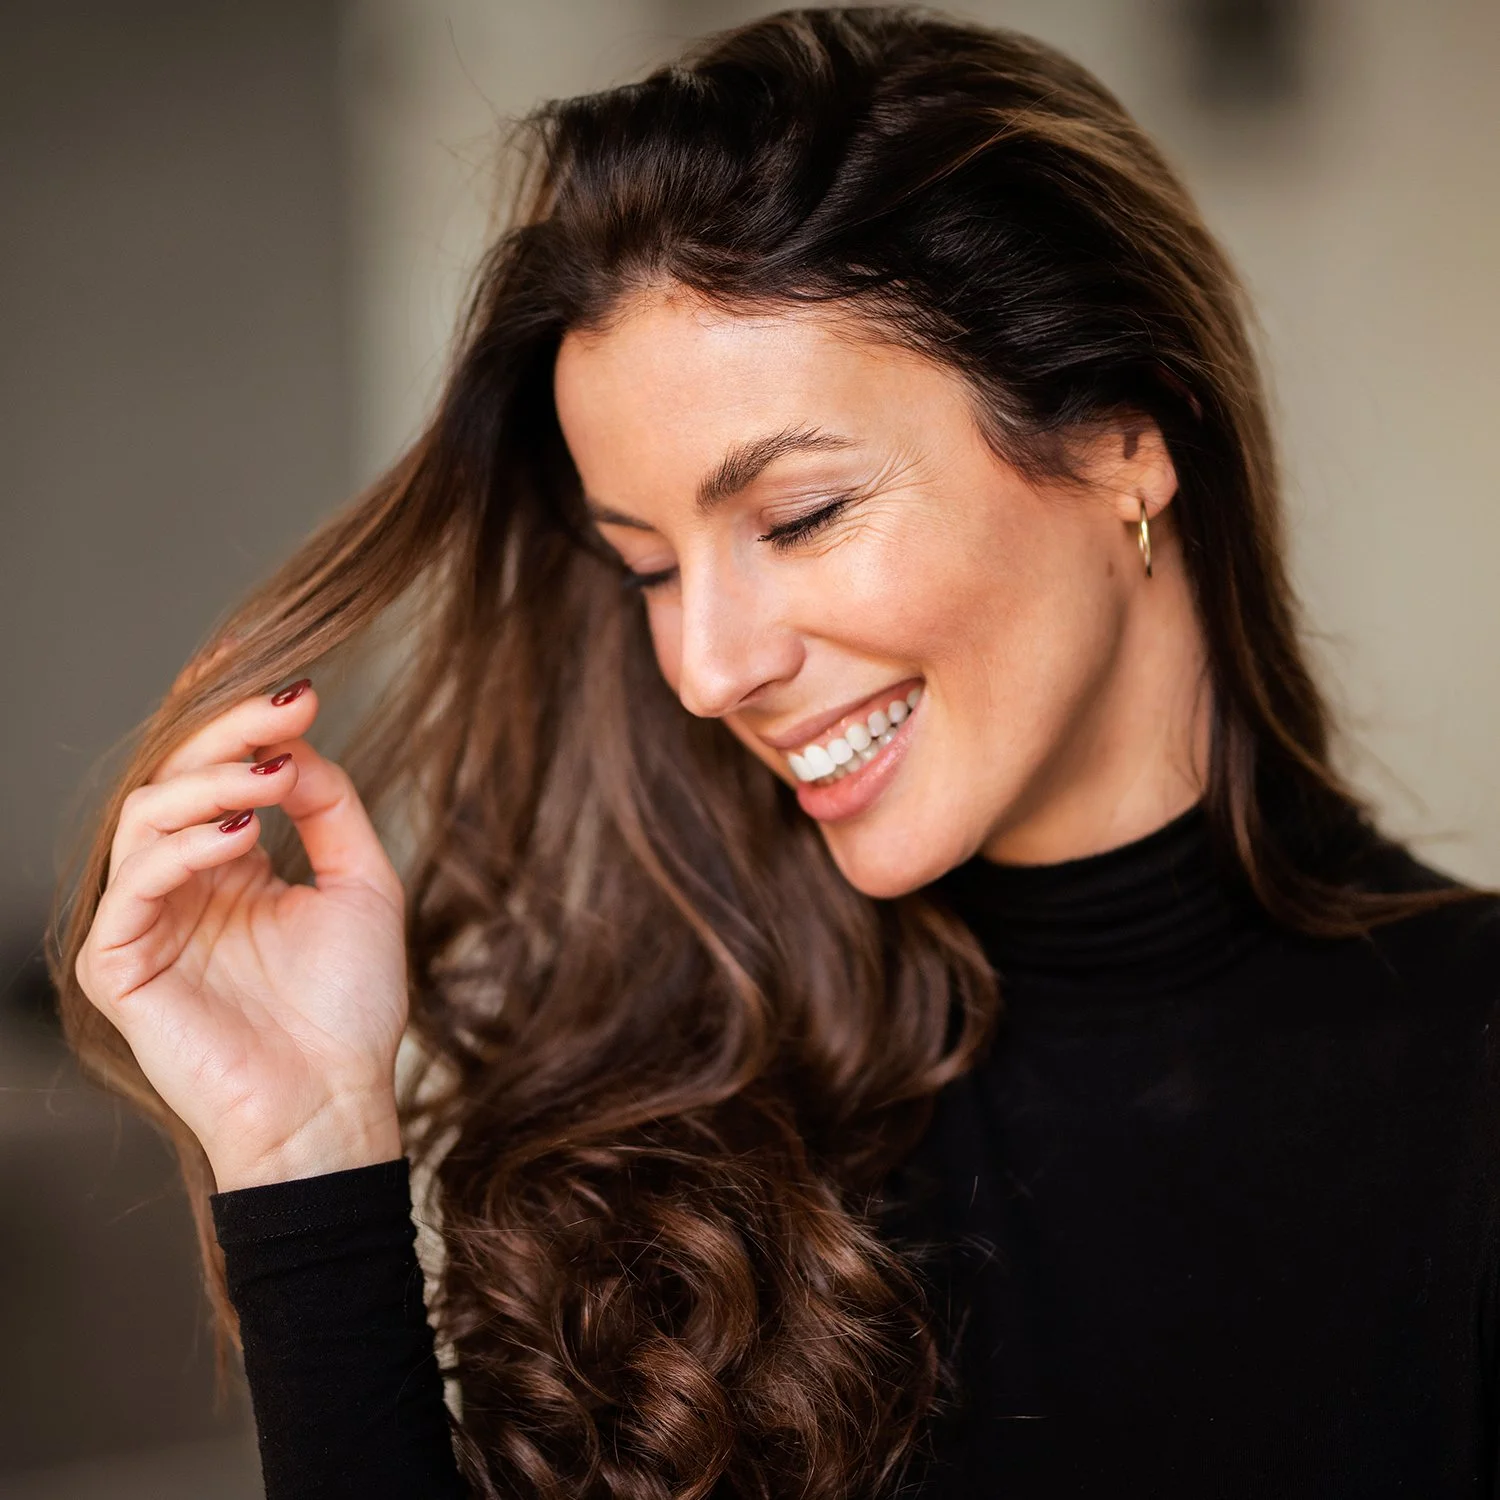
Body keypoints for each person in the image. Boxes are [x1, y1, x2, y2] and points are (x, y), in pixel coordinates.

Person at [51, 7, 1499, 1498]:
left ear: (1127, 440)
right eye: (649, 569)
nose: (705, 669)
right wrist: (308, 1156)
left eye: (799, 518)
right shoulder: (677, 1130)